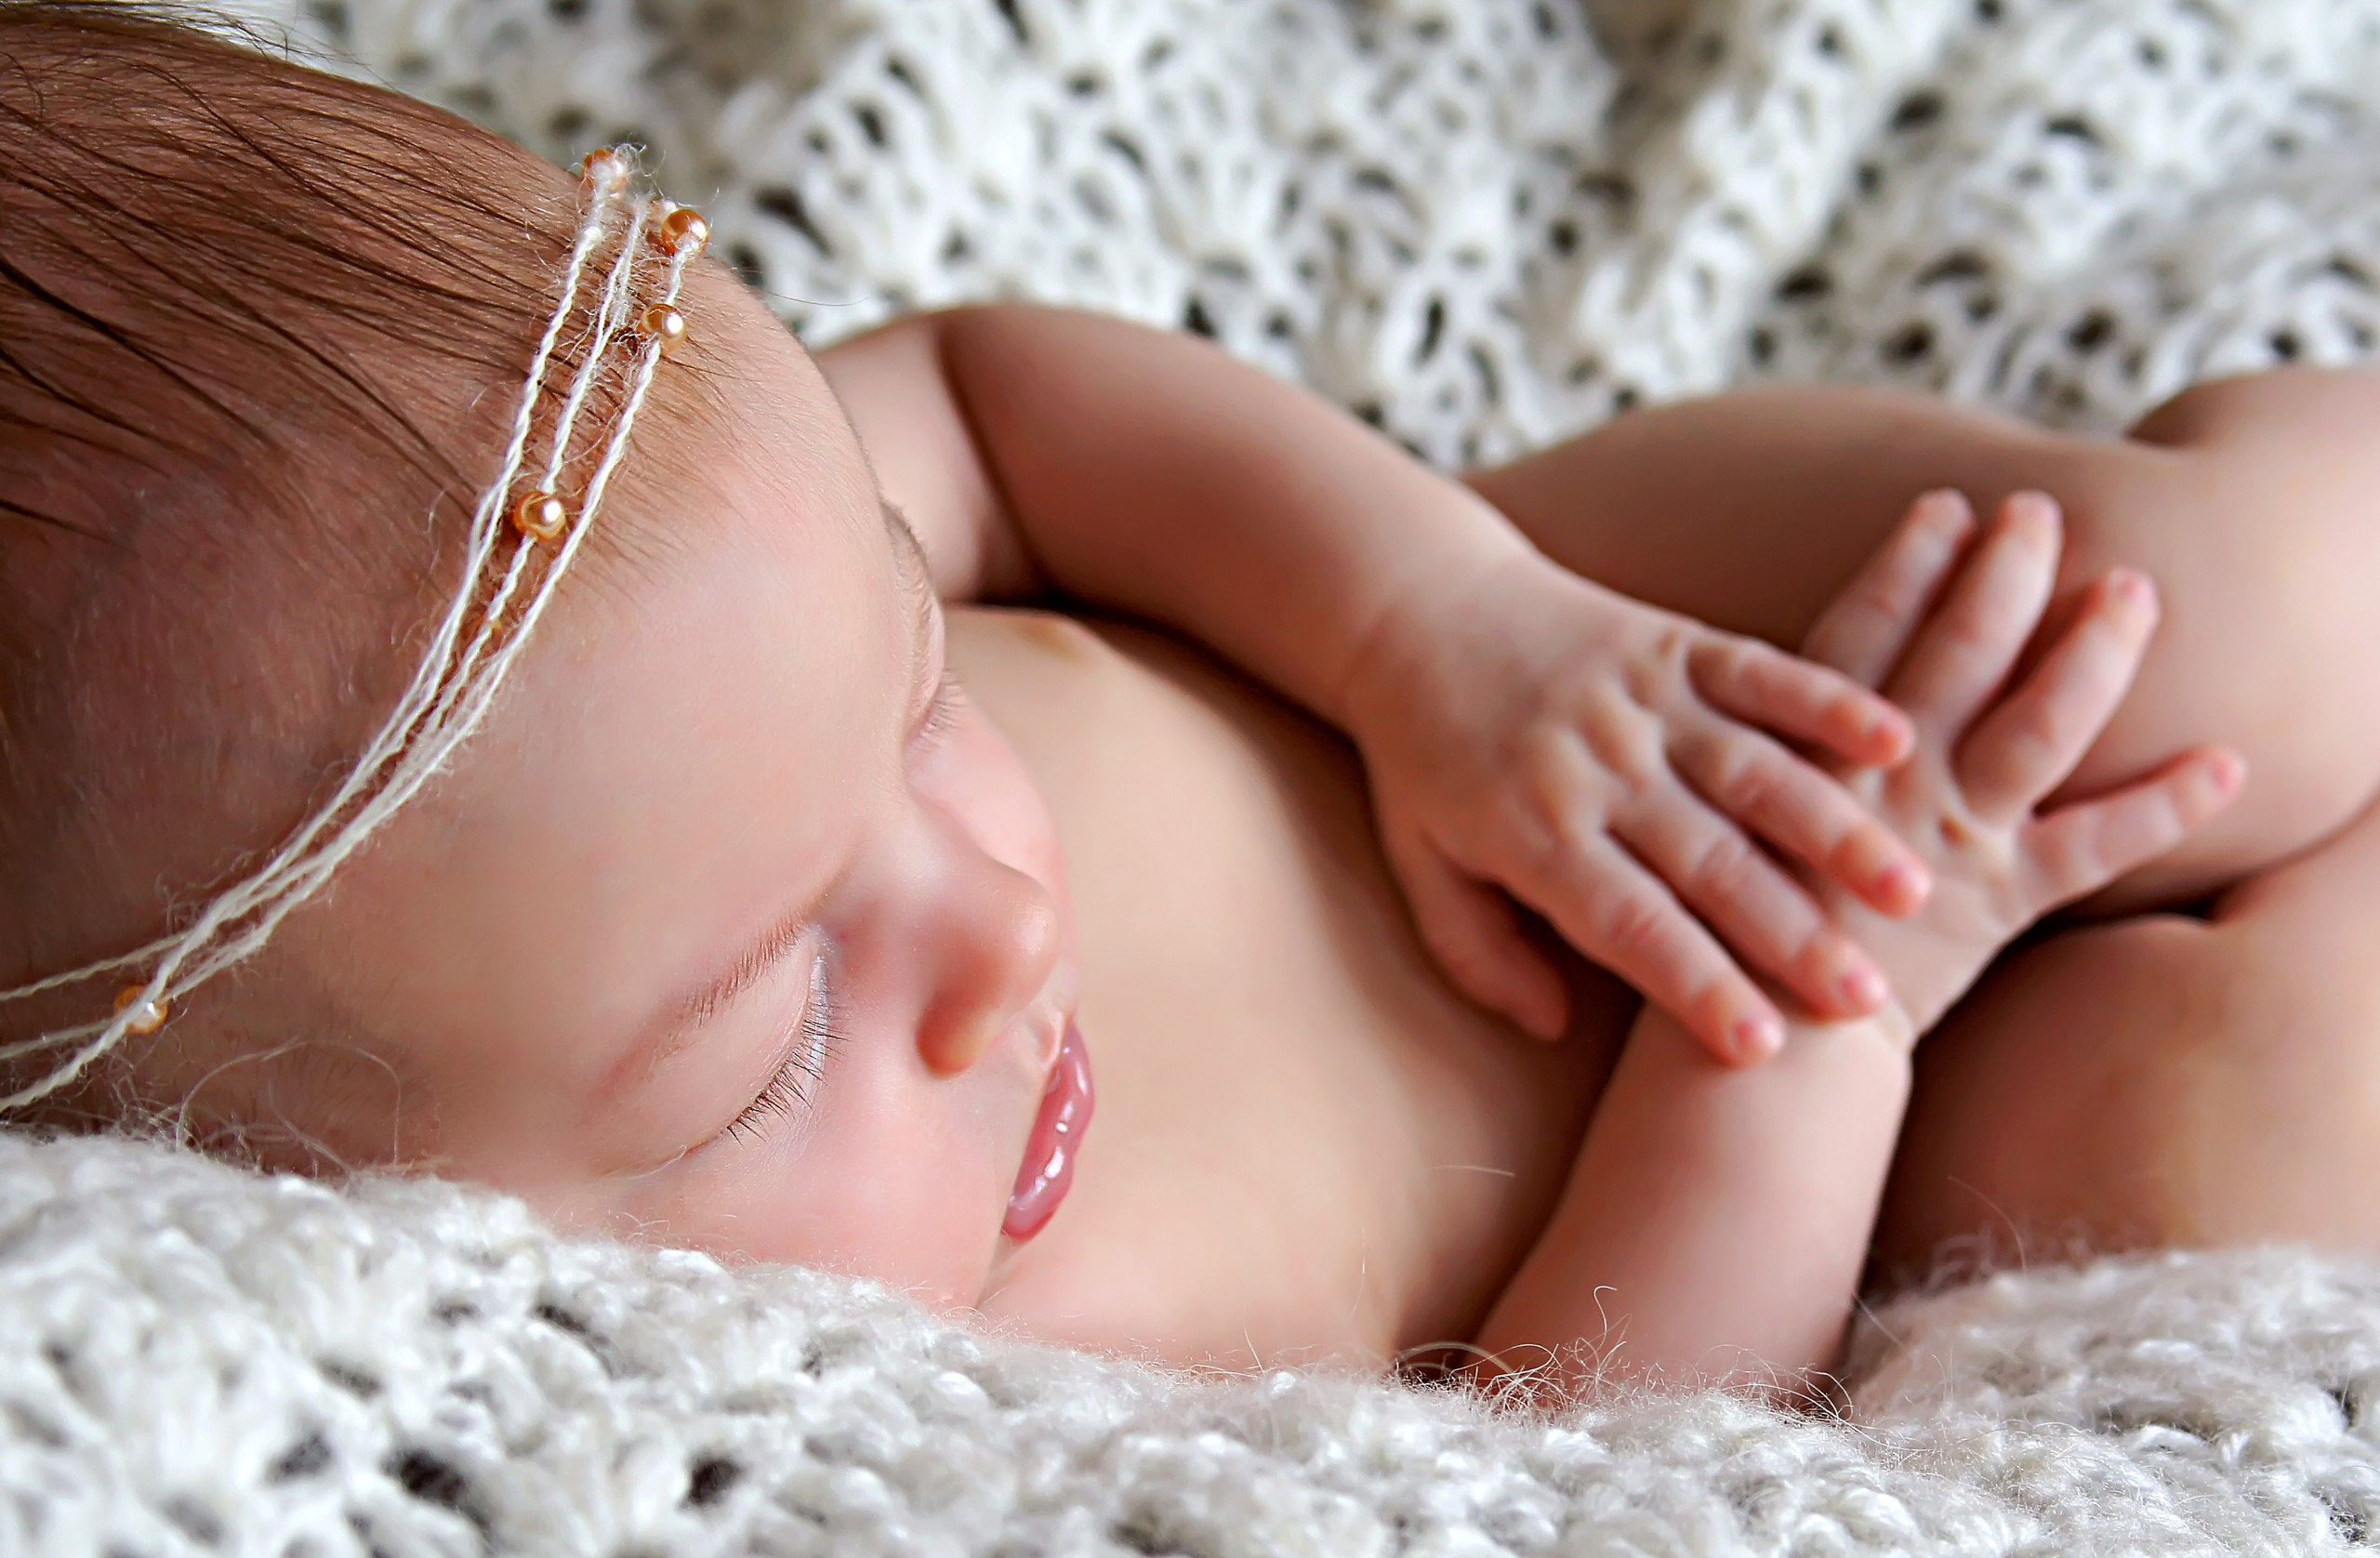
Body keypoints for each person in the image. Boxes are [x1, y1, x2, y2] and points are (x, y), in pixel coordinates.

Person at [3, 5, 2375, 1400]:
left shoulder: (620, 592)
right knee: (2207, 1147)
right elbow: (1598, 1455)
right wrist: (1844, 1004)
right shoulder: (998, 1381)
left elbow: (993, 395)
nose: (1002, 917)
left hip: (1609, 654)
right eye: (768, 1035)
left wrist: (1437, 626)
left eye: (921, 691)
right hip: (1789, 1133)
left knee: (2192, 625)